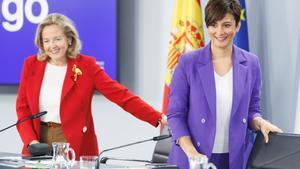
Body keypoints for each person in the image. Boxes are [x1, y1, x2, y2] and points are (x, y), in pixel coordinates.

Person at [16, 13, 167, 160]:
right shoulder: (31, 65)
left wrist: (157, 117)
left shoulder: (86, 66)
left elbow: (121, 96)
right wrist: (32, 142)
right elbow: (23, 108)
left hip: (73, 142)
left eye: (57, 39)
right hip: (38, 141)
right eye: (46, 41)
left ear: (69, 39)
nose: (52, 46)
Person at [167, 0, 282, 169]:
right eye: (214, 25)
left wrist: (260, 123)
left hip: (235, 159)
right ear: (207, 26)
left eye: (227, 25)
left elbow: (251, 111)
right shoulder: (188, 62)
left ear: (237, 26)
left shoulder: (251, 63)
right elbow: (175, 115)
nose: (219, 32)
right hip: (192, 159)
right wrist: (192, 153)